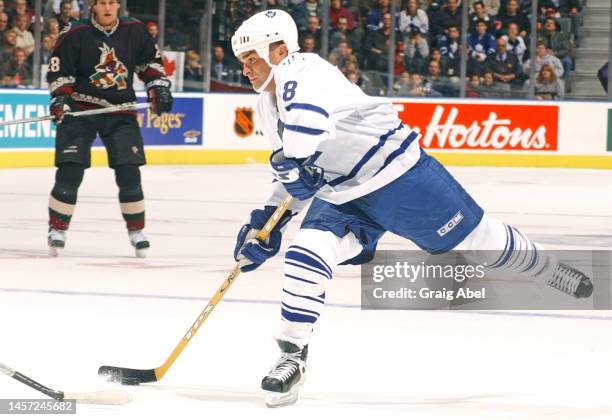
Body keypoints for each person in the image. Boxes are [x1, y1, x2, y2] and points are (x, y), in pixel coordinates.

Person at [230, 9, 592, 408]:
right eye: (243, 62)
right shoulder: (266, 105)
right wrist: (266, 222)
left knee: (480, 240)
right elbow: (295, 174)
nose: (246, 70)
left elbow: (303, 135)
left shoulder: (302, 70)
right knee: (306, 253)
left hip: (398, 176)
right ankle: (293, 355)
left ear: (279, 50)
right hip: (344, 194)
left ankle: (544, 267)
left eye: (251, 59)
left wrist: (293, 166)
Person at [45, 0, 173, 257]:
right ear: (93, 6)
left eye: (112, 2)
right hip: (81, 109)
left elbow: (149, 63)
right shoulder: (74, 32)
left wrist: (158, 86)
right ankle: (57, 228)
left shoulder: (135, 30)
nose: (107, 7)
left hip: (120, 109)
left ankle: (136, 230)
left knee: (129, 171)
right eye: (102, 2)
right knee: (71, 169)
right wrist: (61, 98)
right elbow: (60, 72)